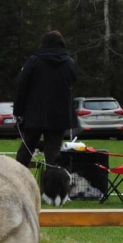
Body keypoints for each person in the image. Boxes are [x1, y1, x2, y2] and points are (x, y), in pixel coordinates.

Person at [13, 30, 77, 169]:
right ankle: (52, 187)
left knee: (27, 148)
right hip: (59, 116)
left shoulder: (34, 61)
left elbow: (21, 86)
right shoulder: (69, 62)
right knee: (53, 152)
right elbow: (72, 84)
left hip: (35, 114)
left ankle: (16, 178)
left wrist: (18, 110)